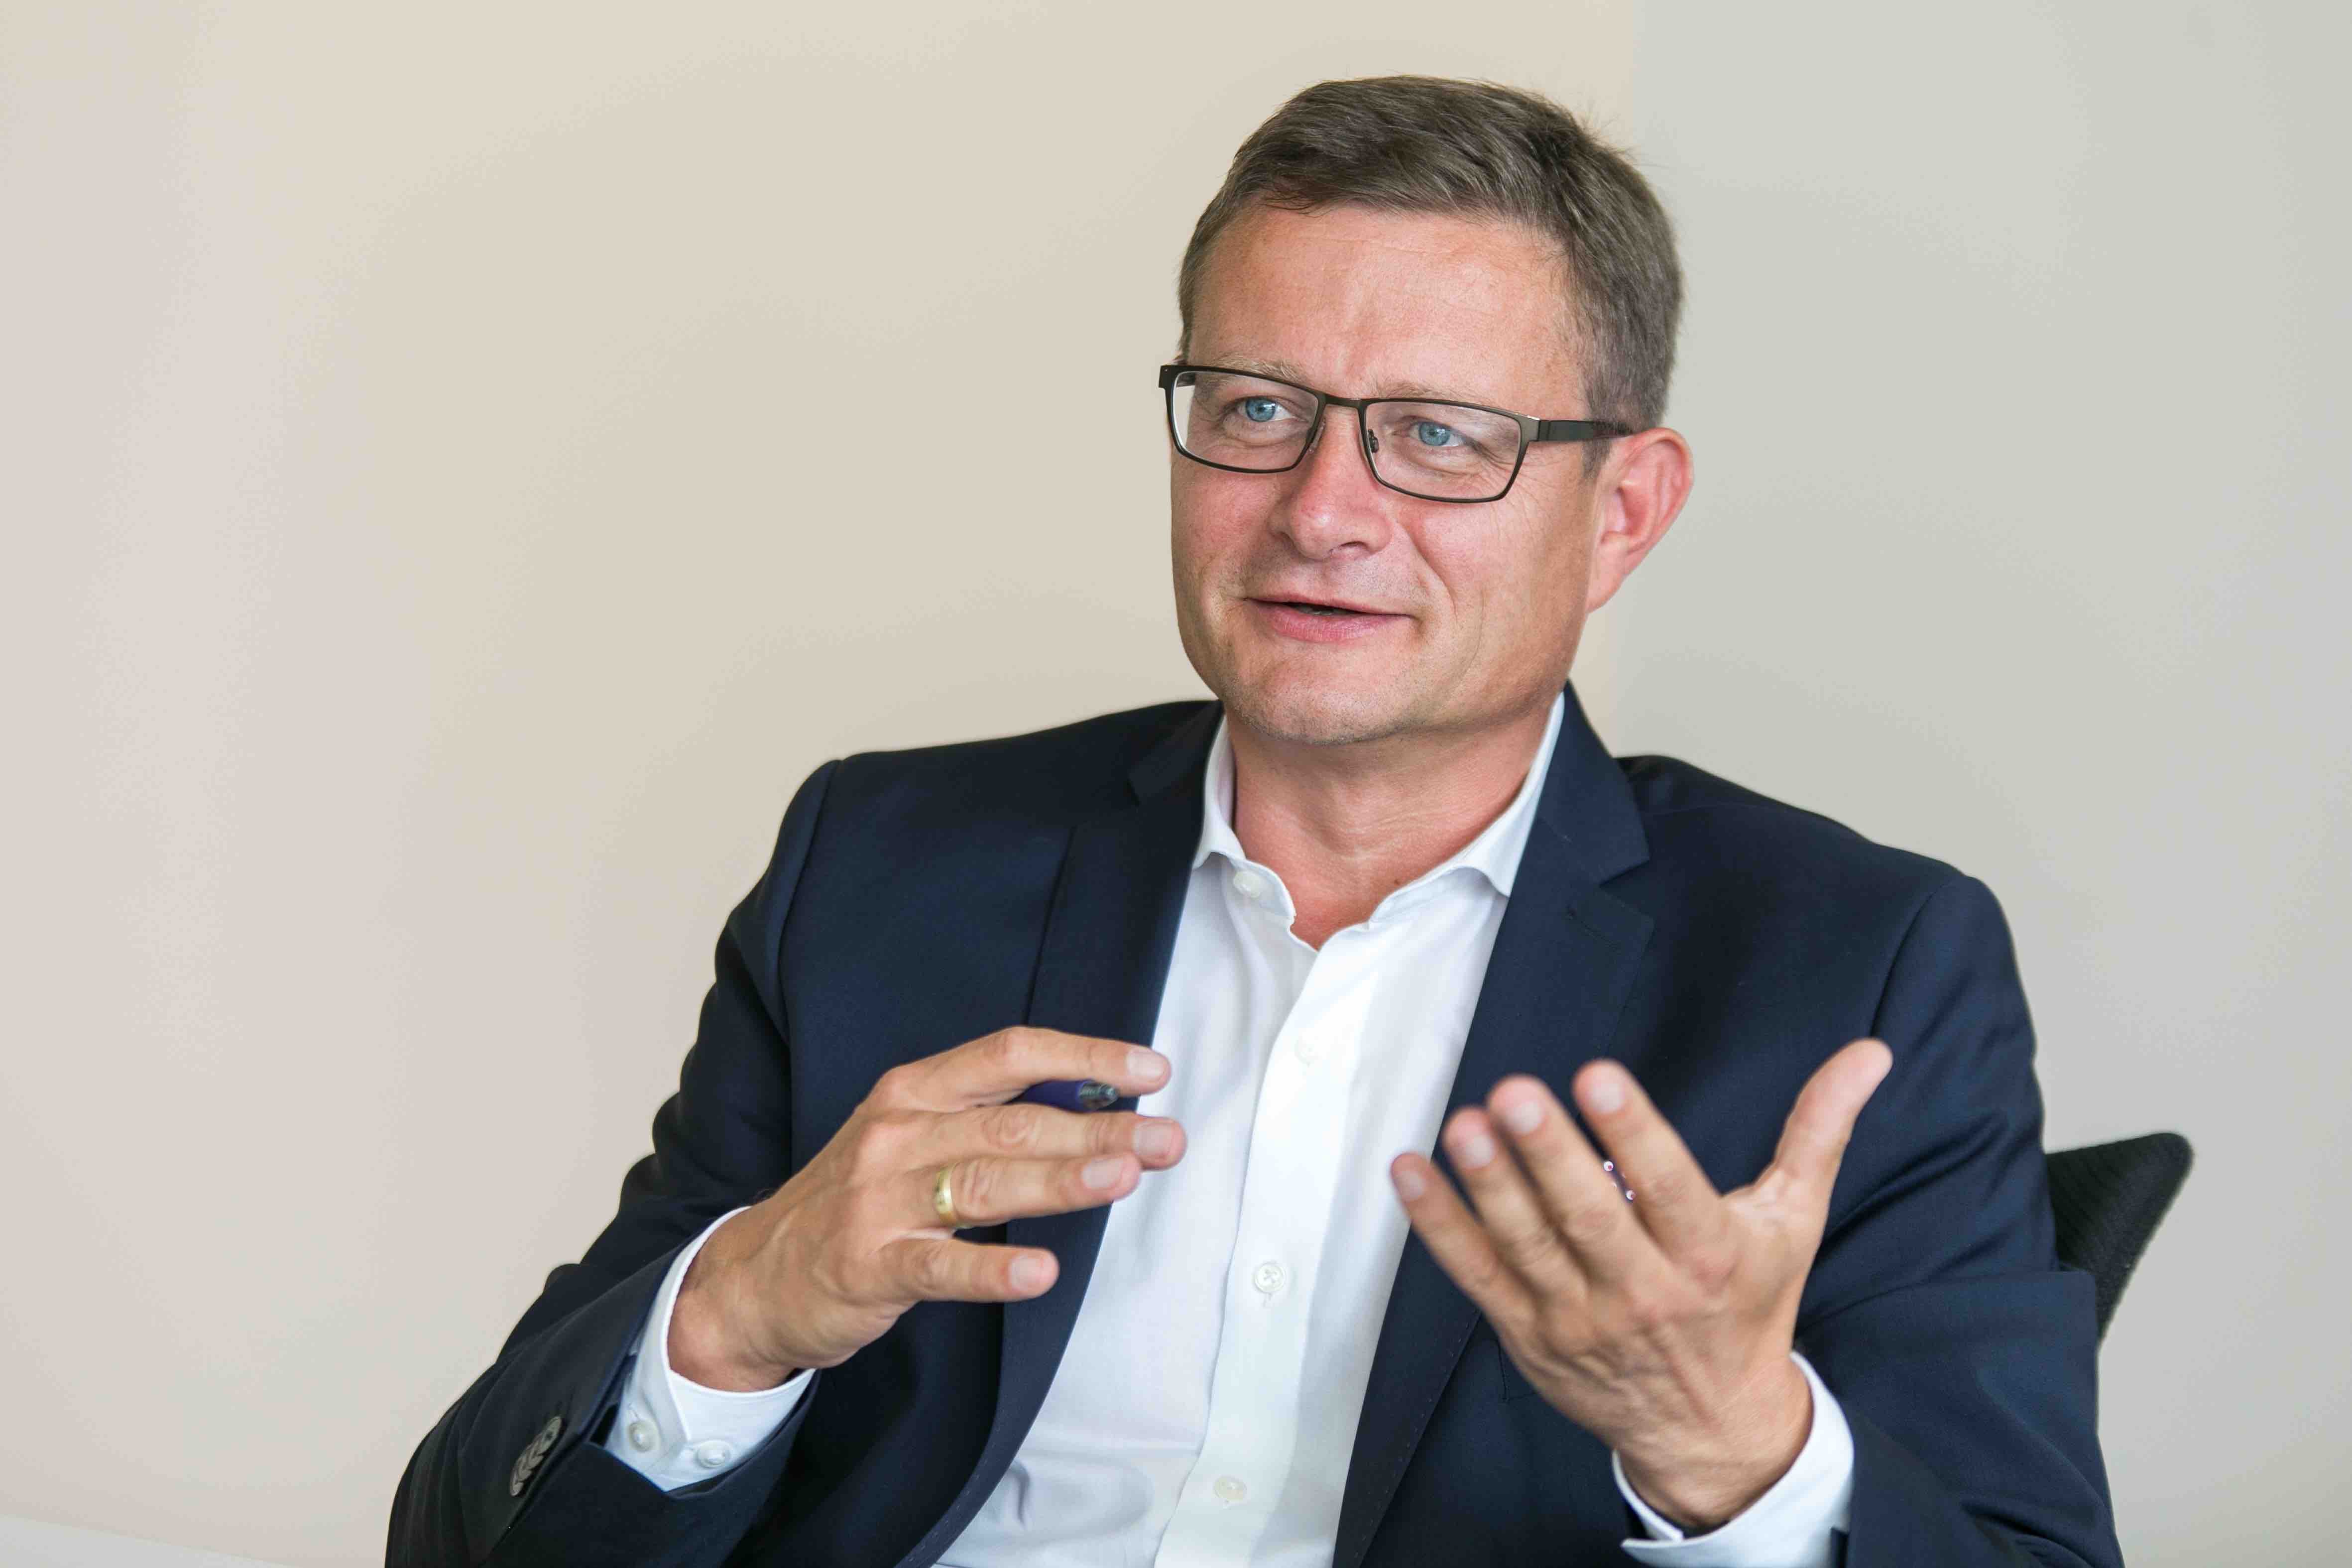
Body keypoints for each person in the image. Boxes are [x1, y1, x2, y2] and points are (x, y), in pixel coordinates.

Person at [388, 75, 2120, 1568]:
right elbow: (464, 1534)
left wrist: (1732, 1451)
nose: (1321, 511)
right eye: (1257, 411)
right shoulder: (883, 866)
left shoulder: (1855, 965)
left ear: (1622, 512)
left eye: (1437, 436)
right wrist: (738, 1310)